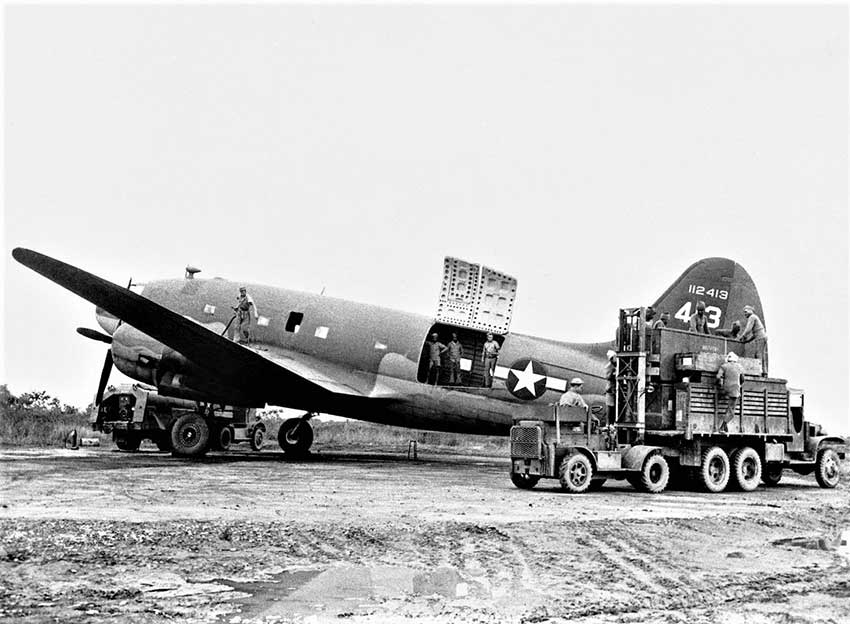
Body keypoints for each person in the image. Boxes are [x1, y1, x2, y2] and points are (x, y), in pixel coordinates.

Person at [716, 352, 745, 433]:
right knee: (731, 411)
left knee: (729, 407)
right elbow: (742, 379)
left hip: (725, 389)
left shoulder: (724, 366)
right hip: (735, 390)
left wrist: (720, 384)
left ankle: (725, 428)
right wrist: (739, 385)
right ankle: (722, 427)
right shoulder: (739, 367)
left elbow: (718, 376)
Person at [739, 305, 768, 376]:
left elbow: (748, 329)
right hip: (761, 337)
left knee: (758, 355)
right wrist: (748, 341)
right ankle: (764, 371)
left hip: (760, 338)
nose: (744, 314)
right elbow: (755, 334)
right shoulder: (755, 317)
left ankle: (760, 371)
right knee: (762, 355)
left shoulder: (752, 317)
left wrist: (742, 336)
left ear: (750, 311)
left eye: (745, 312)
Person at [604, 350, 617, 426]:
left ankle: (612, 423)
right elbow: (608, 377)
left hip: (615, 390)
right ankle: (608, 424)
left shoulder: (617, 365)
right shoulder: (609, 367)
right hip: (610, 390)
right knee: (610, 407)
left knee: (614, 407)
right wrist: (613, 373)